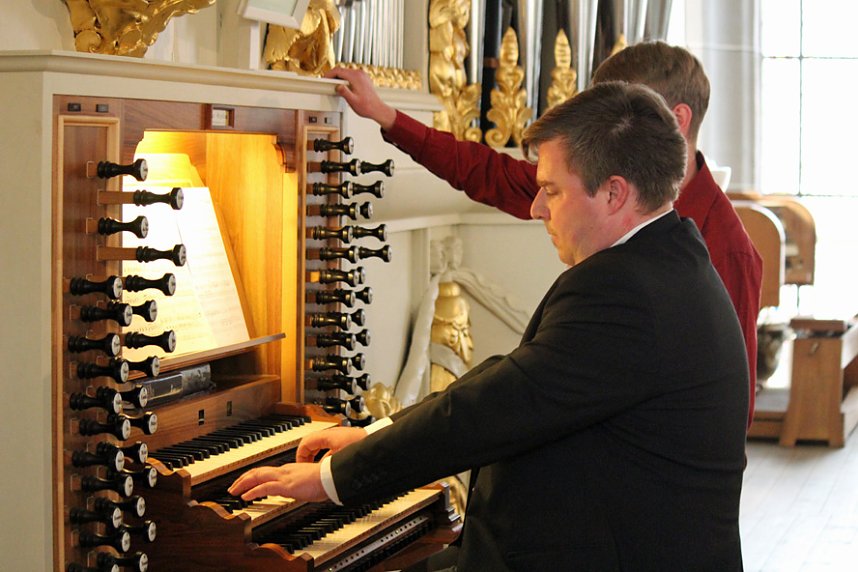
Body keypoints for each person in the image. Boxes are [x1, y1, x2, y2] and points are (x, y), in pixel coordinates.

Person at [230, 81, 749, 570]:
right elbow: (514, 376)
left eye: (552, 190)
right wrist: (374, 434)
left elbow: (493, 409)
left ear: (614, 193)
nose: (537, 206)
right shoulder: (664, 260)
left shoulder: (629, 291)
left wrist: (329, 480)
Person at [324, 41, 762, 428]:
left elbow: (727, 409)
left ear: (678, 119)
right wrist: (387, 116)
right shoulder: (584, 187)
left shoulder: (728, 247)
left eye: (622, 111)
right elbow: (489, 173)